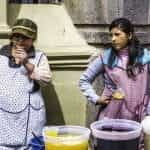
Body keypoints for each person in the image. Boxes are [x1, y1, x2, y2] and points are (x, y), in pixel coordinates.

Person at [79, 18, 150, 150]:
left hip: (137, 118)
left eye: (117, 34)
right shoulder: (105, 57)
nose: (113, 39)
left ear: (129, 35)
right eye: (111, 35)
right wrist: (96, 98)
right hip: (111, 117)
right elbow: (84, 80)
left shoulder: (145, 58)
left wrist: (148, 113)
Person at [0, 18, 52, 149]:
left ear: (33, 39)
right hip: (3, 119)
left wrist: (26, 62)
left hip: (29, 118)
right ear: (11, 37)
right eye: (17, 37)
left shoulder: (39, 57)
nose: (20, 41)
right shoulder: (1, 54)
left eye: (25, 38)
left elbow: (45, 79)